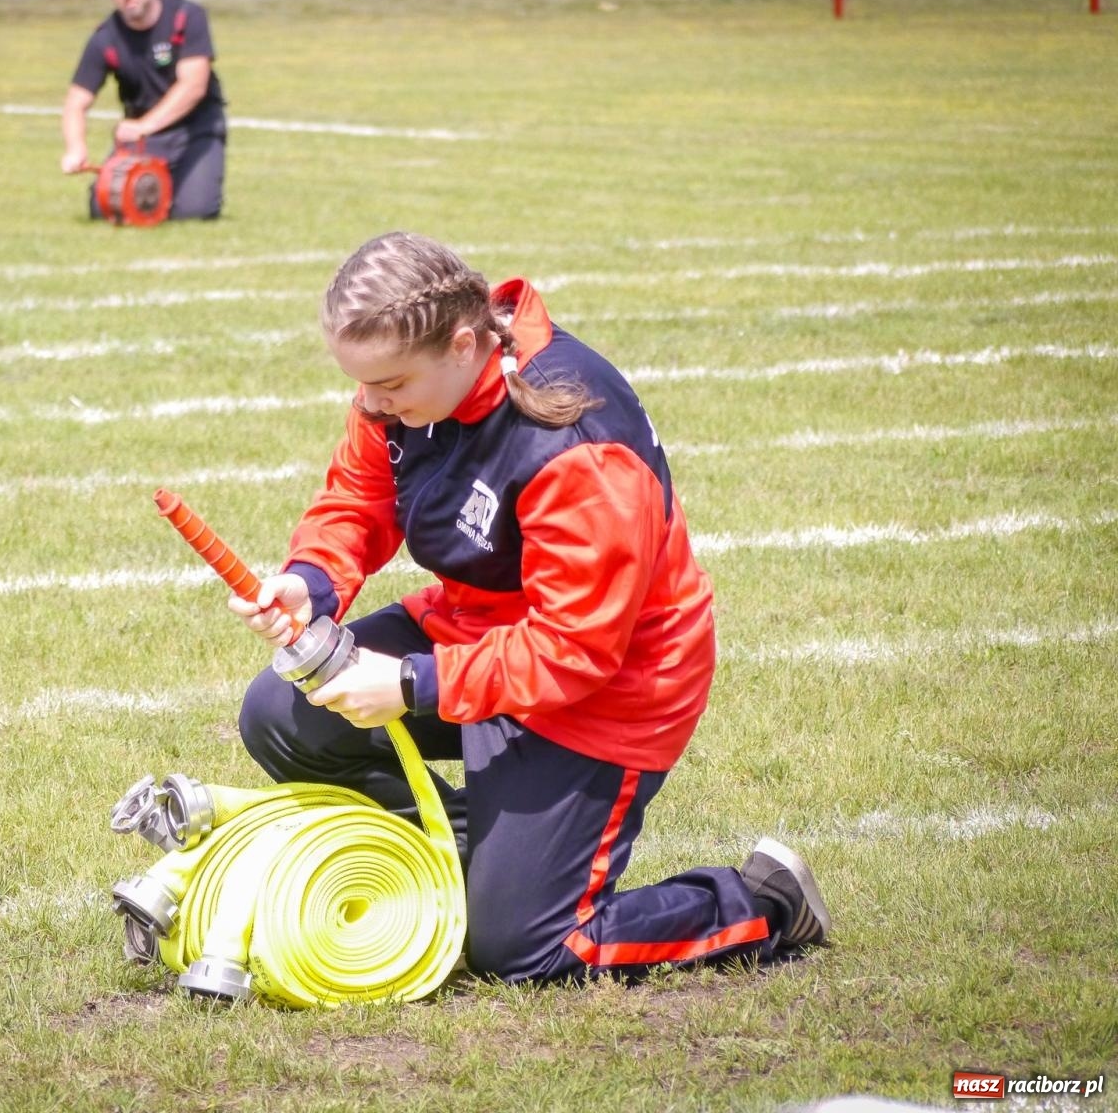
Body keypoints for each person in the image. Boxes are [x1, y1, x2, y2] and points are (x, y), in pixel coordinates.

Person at [230, 231, 831, 984]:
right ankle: (475, 863)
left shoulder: (574, 441)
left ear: (461, 343)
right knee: (281, 714)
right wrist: (309, 580)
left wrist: (415, 683)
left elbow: (576, 647)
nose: (372, 404)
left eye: (389, 385)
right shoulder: (407, 394)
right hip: (476, 635)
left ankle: (760, 903)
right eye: (364, 387)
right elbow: (359, 495)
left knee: (523, 951)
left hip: (609, 690)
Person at [61, 0, 228, 221]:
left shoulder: (186, 17)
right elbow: (75, 102)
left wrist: (144, 126)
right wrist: (75, 147)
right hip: (143, 139)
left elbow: (194, 86)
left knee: (194, 212)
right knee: (104, 208)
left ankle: (188, 184)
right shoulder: (105, 38)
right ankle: (160, 183)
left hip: (196, 128)